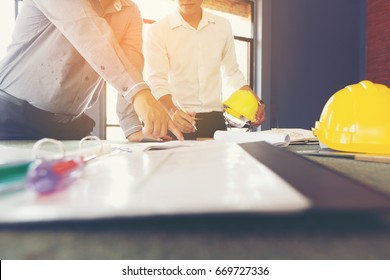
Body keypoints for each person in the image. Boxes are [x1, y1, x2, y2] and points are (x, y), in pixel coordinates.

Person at [0, 0, 183, 141]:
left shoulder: (129, 11)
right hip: (14, 118)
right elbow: (89, 32)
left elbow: (131, 66)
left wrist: (133, 128)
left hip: (70, 126)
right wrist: (140, 94)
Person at [142, 0, 266, 140]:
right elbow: (156, 80)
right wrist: (172, 112)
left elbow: (231, 72)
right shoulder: (158, 29)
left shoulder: (222, 26)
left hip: (214, 122)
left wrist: (256, 101)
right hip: (175, 120)